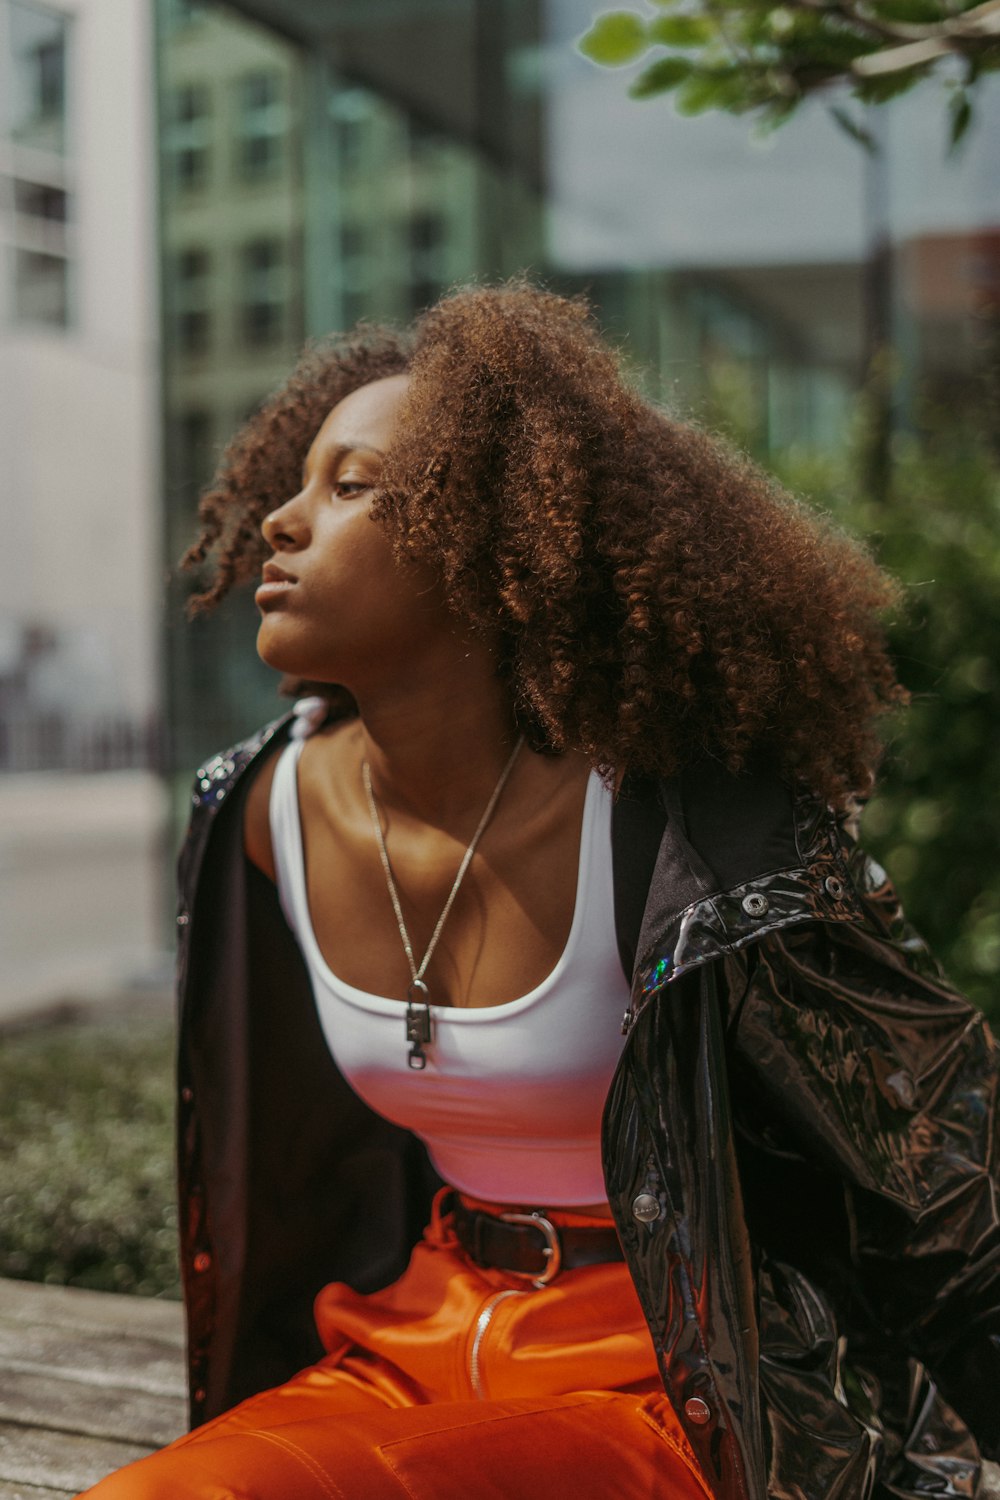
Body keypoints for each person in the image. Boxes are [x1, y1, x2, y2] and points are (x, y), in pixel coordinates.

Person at [82, 283, 999, 1500]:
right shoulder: (263, 814)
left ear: (493, 546)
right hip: (407, 1340)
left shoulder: (684, 829)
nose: (278, 525)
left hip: (672, 1377)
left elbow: (935, 1156)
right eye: (296, 483)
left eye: (350, 488)